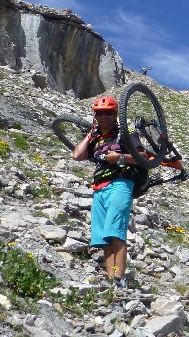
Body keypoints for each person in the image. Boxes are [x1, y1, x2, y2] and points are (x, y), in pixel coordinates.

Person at [72, 96, 141, 290]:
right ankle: (111, 279)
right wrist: (90, 134)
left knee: (116, 230)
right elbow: (77, 155)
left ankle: (120, 278)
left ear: (115, 115)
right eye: (99, 113)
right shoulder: (96, 139)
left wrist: (119, 158)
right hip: (99, 188)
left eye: (108, 113)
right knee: (103, 236)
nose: (103, 117)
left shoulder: (125, 134)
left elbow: (143, 157)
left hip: (120, 183)